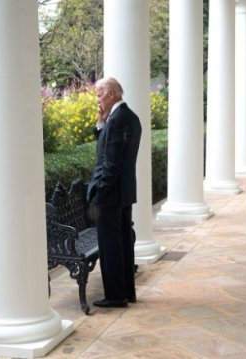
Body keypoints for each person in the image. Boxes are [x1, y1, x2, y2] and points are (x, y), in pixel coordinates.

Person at [87, 77, 141, 308]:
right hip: (123, 193)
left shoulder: (118, 120)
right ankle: (126, 292)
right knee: (122, 245)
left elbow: (111, 163)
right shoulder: (128, 117)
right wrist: (101, 123)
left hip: (111, 195)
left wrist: (100, 192)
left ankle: (116, 296)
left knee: (111, 247)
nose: (98, 100)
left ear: (111, 95)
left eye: (99, 95)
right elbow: (109, 149)